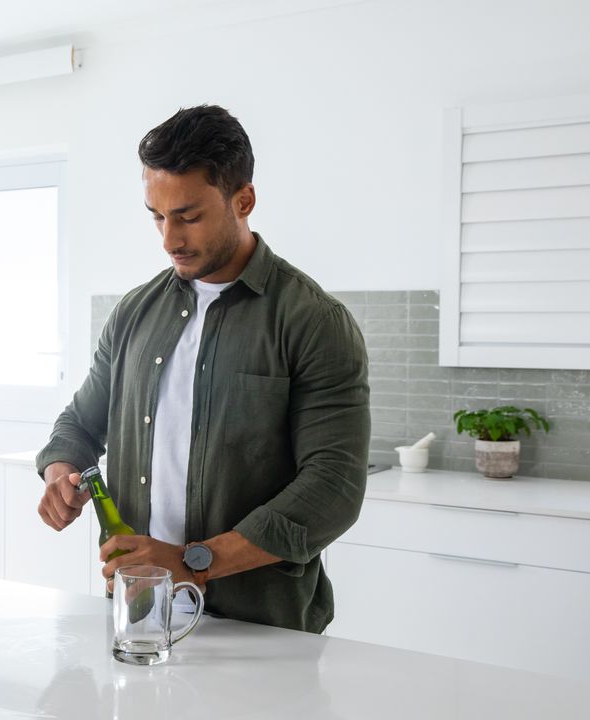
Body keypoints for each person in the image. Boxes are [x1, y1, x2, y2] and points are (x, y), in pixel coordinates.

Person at [35, 105, 370, 632]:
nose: (169, 239)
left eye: (188, 216)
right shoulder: (133, 313)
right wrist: (60, 475)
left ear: (244, 200)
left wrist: (194, 561)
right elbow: (77, 426)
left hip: (263, 627)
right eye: (157, 216)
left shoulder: (313, 321)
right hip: (140, 615)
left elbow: (333, 489)